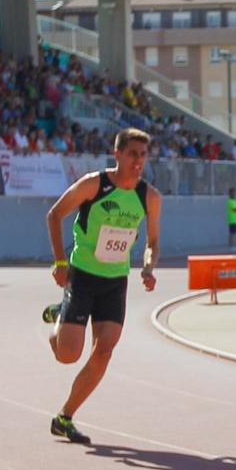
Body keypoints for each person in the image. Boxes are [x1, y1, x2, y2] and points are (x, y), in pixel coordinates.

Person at [40, 128, 161, 445]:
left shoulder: (149, 197)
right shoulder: (95, 184)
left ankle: (65, 416)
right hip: (82, 276)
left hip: (115, 282)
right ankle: (61, 314)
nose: (137, 161)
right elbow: (54, 215)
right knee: (67, 356)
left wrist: (148, 267)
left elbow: (153, 242)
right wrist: (60, 262)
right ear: (117, 154)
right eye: (132, 154)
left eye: (142, 155)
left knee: (104, 351)